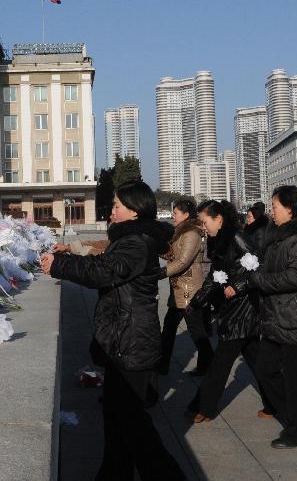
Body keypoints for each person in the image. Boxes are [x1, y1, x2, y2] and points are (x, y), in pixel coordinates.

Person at [40, 180, 185, 480]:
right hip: (126, 340)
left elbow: (103, 272)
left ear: (134, 211)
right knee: (117, 424)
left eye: (117, 205)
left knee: (135, 429)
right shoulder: (132, 240)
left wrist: (59, 266)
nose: (112, 211)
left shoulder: (136, 243)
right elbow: (104, 261)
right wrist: (65, 258)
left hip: (131, 344)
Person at [228, 185, 297, 449]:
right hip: (275, 318)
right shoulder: (278, 238)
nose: (272, 210)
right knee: (264, 368)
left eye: (276, 206)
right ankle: (296, 416)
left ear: (290, 210)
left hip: (296, 320)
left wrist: (258, 279)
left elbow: (295, 277)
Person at [185, 200, 274, 423]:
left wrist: (238, 286)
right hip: (232, 308)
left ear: (219, 219)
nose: (203, 227)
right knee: (259, 363)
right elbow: (214, 277)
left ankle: (203, 407)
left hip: (243, 310)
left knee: (220, 363)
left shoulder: (237, 237)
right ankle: (277, 403)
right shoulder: (218, 241)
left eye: (205, 222)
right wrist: (197, 301)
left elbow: (259, 266)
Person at [158, 199, 211, 376]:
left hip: (189, 288)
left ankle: (208, 363)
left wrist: (161, 272)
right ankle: (162, 365)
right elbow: (174, 255)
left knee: (196, 330)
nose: (173, 216)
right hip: (179, 288)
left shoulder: (191, 234)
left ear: (186, 214)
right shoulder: (181, 232)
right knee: (169, 328)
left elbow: (183, 261)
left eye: (176, 213)